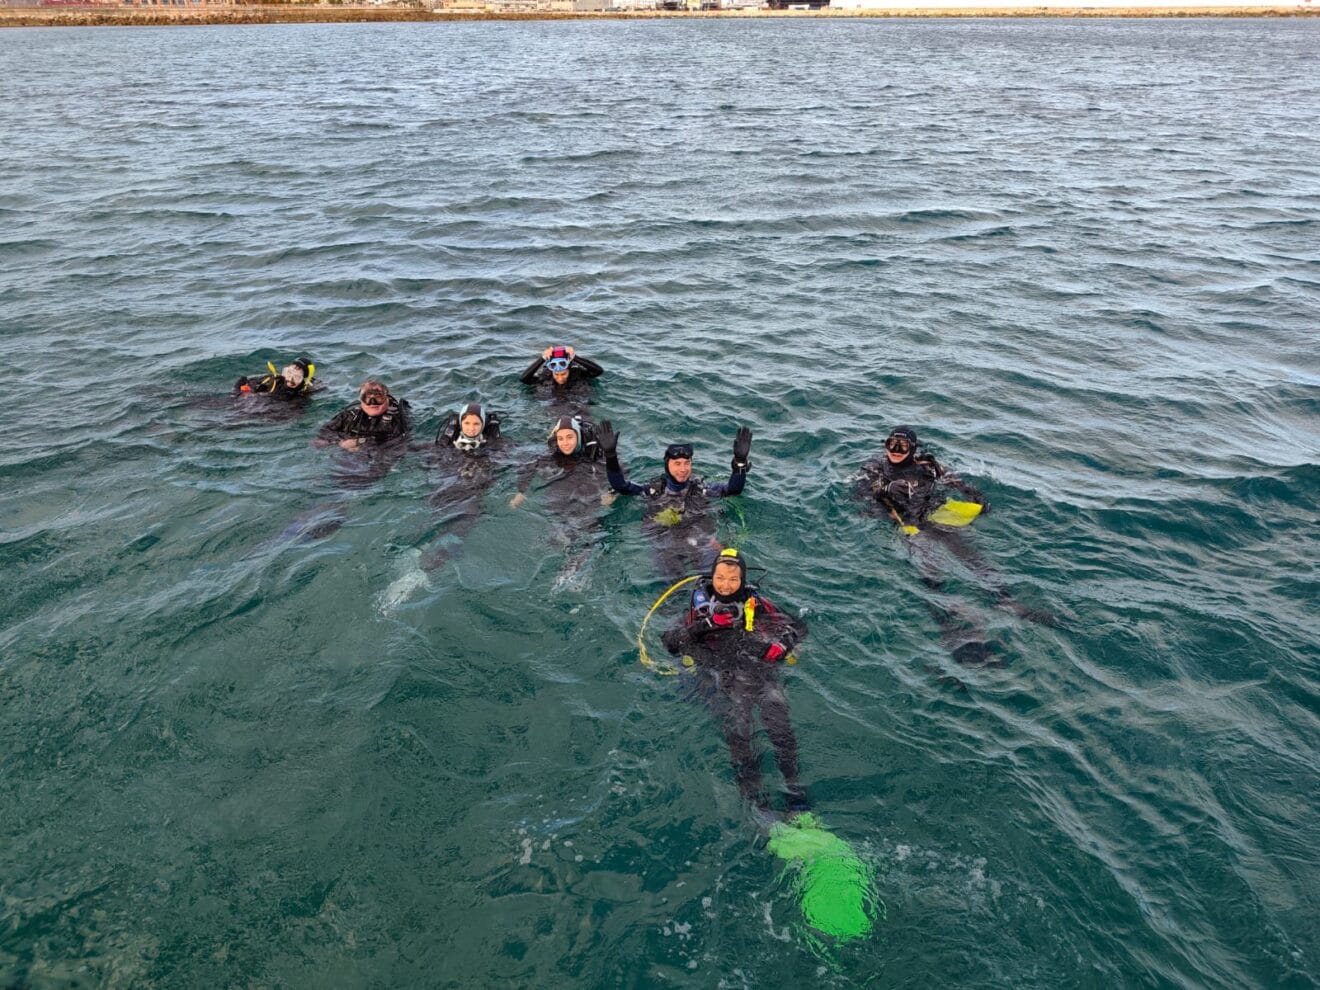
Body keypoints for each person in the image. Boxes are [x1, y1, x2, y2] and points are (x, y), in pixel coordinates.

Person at [661, 548, 809, 813]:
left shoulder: (757, 604)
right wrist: (705, 626)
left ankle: (795, 792)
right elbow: (670, 642)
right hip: (722, 676)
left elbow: (798, 627)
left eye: (733, 579)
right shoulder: (699, 608)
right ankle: (756, 802)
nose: (725, 585)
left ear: (742, 579)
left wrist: (782, 646)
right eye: (720, 577)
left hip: (759, 672)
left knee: (780, 728)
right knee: (739, 732)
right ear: (712, 576)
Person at [597, 420, 752, 577]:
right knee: (675, 587)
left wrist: (739, 463)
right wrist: (611, 456)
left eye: (687, 463)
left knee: (712, 580)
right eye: (677, 464)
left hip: (701, 541)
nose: (683, 469)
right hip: (666, 544)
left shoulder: (701, 489)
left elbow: (733, 490)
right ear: (667, 465)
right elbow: (621, 486)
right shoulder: (653, 491)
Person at [855, 425, 985, 532]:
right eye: (892, 444)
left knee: (966, 551)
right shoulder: (875, 466)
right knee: (927, 556)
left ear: (913, 449)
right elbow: (861, 493)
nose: (896, 450)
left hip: (931, 512)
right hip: (900, 517)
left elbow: (954, 481)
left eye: (903, 446)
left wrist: (976, 497)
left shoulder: (927, 466)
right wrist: (885, 490)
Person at [314, 380, 411, 452]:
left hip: (382, 452)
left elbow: (398, 443)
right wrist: (339, 442)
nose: (373, 403)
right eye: (367, 398)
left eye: (378, 398)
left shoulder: (396, 419)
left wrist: (361, 444)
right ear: (361, 401)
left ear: (387, 399)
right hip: (351, 449)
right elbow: (324, 432)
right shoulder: (350, 415)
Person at [519, 345, 604, 390]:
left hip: (578, 401)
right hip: (553, 404)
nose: (560, 378)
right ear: (551, 371)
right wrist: (542, 358)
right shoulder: (546, 375)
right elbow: (524, 379)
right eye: (556, 374)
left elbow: (598, 371)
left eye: (563, 374)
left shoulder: (577, 372)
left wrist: (575, 357)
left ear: (569, 369)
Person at [233, 358, 316, 400]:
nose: (290, 379)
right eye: (289, 372)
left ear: (304, 381)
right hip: (244, 402)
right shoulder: (274, 380)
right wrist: (238, 391)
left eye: (297, 377)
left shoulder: (301, 397)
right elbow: (244, 381)